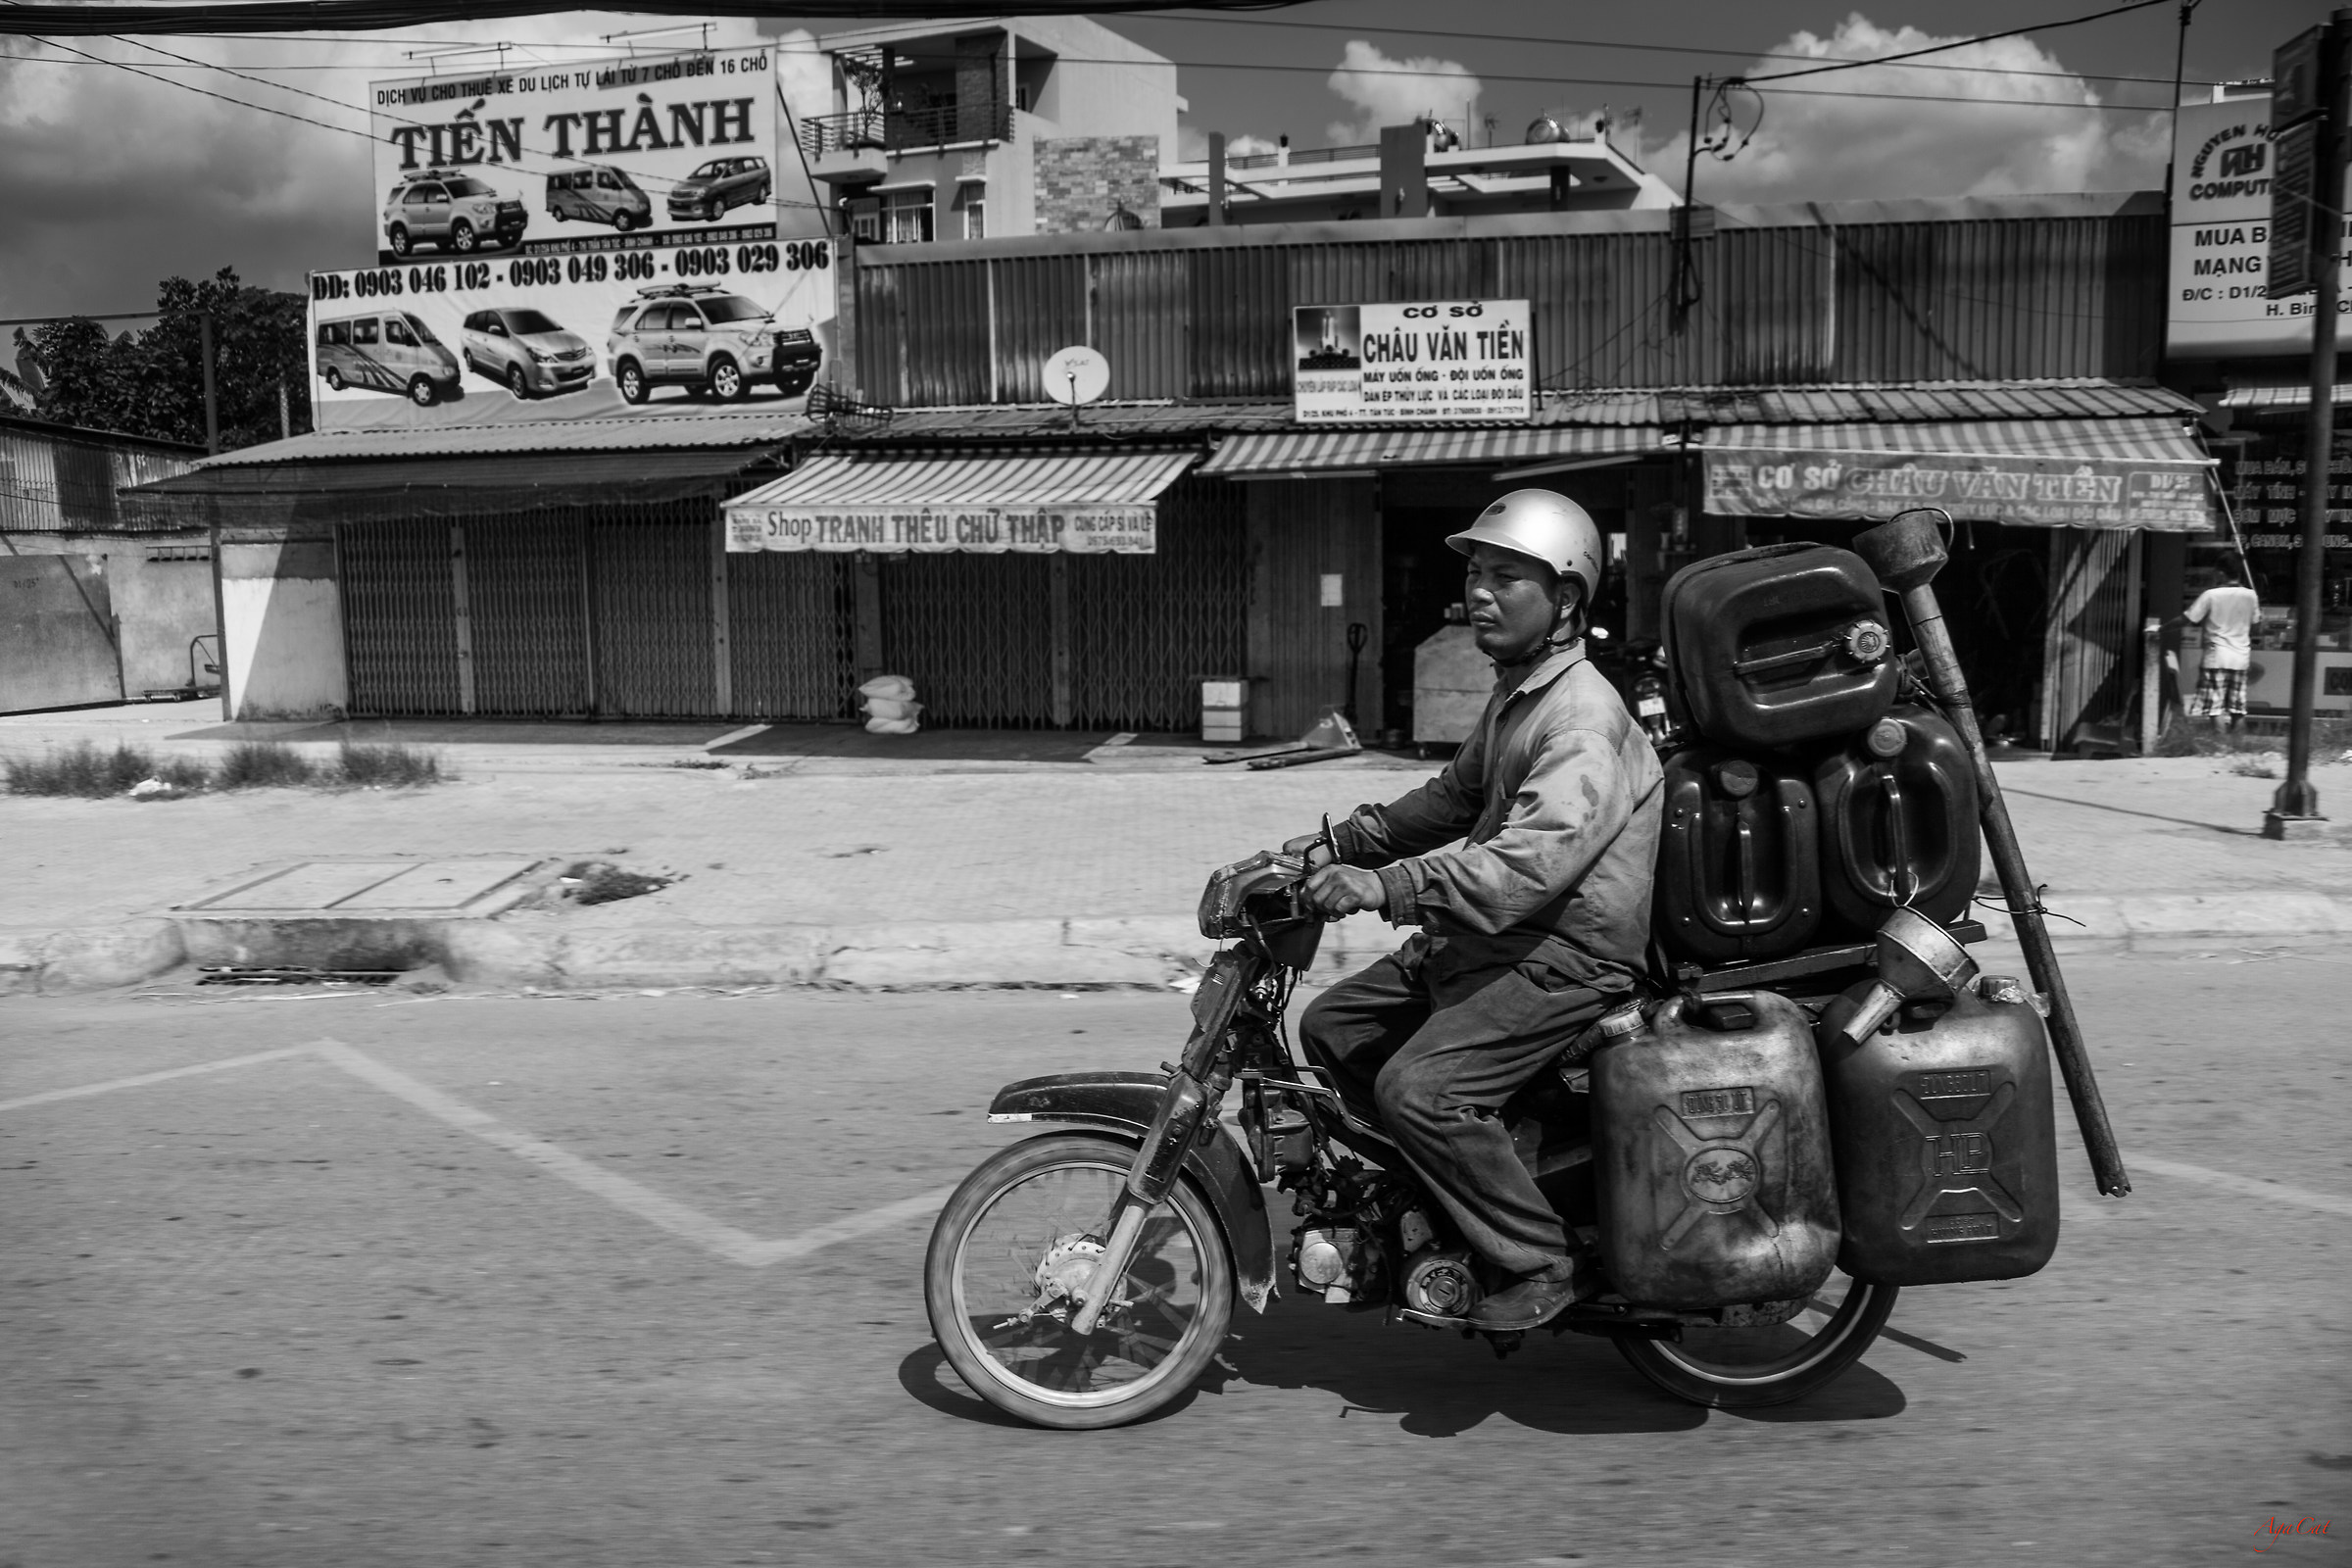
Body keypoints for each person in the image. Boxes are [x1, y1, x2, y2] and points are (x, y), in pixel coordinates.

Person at [1284, 489, 1664, 1333]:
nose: (1479, 595)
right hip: (1495, 940)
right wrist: (1337, 845)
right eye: (1477, 576)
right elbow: (1453, 800)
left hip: (1565, 955)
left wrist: (1387, 886)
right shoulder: (1521, 692)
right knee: (1336, 1028)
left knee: (1418, 1089)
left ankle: (1537, 1257)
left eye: (1505, 579)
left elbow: (1527, 864)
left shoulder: (1582, 720)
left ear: (1564, 600)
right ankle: (1449, 1194)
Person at [2176, 552, 2260, 733]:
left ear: (2221, 574)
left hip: (2216, 658)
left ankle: (2220, 752)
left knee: (2215, 711)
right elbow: (2256, 628)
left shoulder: (2211, 595)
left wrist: (2160, 629)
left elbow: (2187, 618)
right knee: (2238, 712)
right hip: (2240, 659)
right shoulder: (2250, 596)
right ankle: (2237, 753)